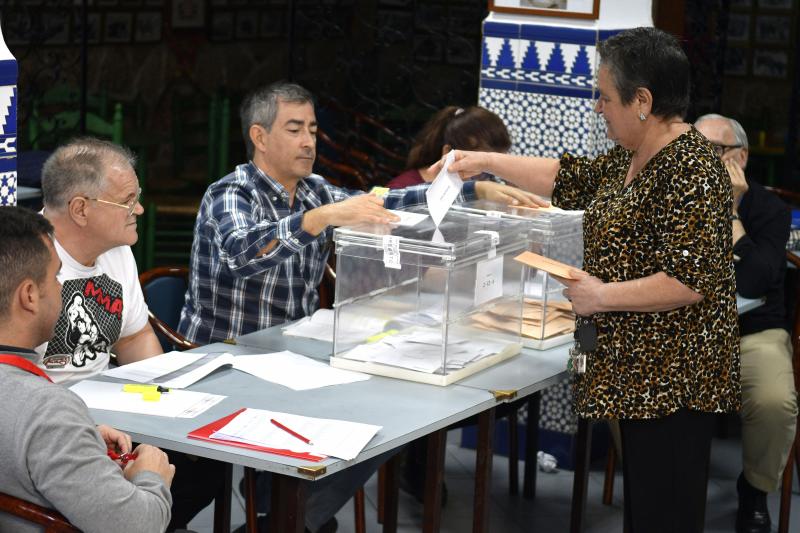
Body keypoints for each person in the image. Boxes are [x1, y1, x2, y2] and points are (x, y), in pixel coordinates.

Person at [177, 81, 541, 532]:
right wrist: (321, 219)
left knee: (389, 421)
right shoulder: (230, 193)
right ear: (260, 136)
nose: (309, 140)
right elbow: (243, 253)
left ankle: (293, 517)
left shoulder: (313, 189)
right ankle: (289, 514)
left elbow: (389, 200)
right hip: (225, 362)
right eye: (295, 129)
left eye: (312, 128)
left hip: (289, 357)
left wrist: (475, 193)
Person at [445, 27, 739, 533]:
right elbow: (565, 177)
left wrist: (600, 296)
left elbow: (690, 280)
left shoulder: (692, 168)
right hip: (639, 375)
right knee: (645, 509)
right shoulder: (633, 155)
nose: (597, 107)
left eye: (604, 96)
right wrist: (485, 162)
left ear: (642, 100)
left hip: (674, 379)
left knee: (665, 513)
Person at [35, 137, 225, 532]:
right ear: (81, 209)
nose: (138, 209)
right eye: (128, 200)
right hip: (52, 432)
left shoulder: (115, 250)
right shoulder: (28, 262)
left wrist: (167, 403)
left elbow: (133, 337)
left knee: (208, 466)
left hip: (115, 416)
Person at [0, 206, 174, 533]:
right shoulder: (47, 411)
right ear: (29, 296)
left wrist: (80, 437)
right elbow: (140, 526)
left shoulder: (43, 416)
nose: (62, 288)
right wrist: (152, 475)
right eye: (55, 277)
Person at [695, 113, 797, 533]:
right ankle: (655, 478)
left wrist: (730, 212)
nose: (697, 161)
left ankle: (754, 489)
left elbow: (757, 278)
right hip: (686, 328)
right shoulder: (674, 198)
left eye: (711, 153)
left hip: (752, 330)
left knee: (775, 401)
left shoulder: (768, 209)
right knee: (621, 375)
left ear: (740, 157)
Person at [386, 105, 511, 189]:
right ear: (448, 153)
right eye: (482, 169)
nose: (488, 179)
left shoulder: (483, 188)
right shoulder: (401, 188)